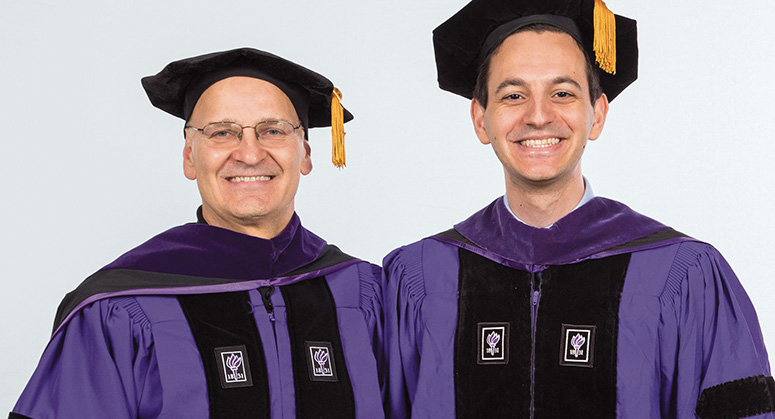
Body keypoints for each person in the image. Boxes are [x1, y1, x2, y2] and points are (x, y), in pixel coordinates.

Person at [382, 1, 775, 418]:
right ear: (481, 119)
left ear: (597, 115)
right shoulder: (420, 277)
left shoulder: (683, 274)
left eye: (562, 94)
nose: (538, 116)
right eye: (514, 95)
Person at [10, 48, 383, 419]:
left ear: (305, 153)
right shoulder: (116, 309)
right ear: (190, 156)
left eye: (273, 130)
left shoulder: (368, 294)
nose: (250, 154)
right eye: (222, 132)